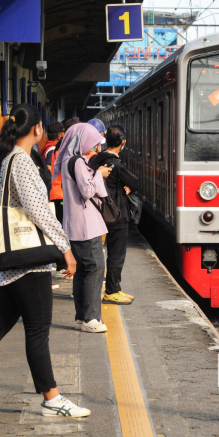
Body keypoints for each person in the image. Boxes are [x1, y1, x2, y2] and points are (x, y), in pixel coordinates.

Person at [0, 103, 87, 419]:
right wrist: (65, 247)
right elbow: (39, 210)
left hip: (13, 262)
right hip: (28, 262)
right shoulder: (21, 163)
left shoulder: (9, 160)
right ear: (38, 129)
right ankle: (52, 399)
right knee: (38, 330)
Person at [59, 123, 112, 332]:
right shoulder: (78, 162)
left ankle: (81, 317)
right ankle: (91, 319)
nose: (93, 148)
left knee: (82, 270)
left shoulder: (65, 161)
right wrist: (99, 174)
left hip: (74, 224)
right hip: (86, 225)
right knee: (96, 268)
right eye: (92, 144)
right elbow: (88, 191)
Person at [90, 124, 139, 305]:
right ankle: (113, 290)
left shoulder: (94, 161)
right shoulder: (117, 164)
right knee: (116, 254)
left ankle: (105, 289)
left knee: (96, 253)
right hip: (117, 214)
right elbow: (134, 183)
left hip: (97, 212)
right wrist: (125, 188)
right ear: (123, 143)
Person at [44, 122, 65, 221]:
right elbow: (49, 168)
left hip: (53, 193)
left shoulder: (46, 147)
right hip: (56, 193)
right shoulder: (53, 149)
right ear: (59, 135)